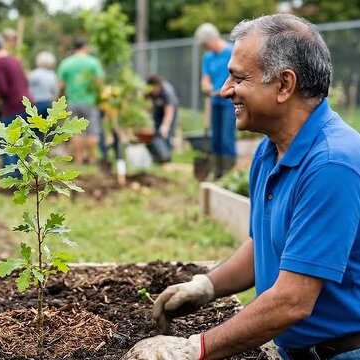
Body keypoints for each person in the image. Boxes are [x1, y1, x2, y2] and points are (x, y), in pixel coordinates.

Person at [123, 14, 360, 360]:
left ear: (284, 85)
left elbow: (292, 302)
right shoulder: (270, 151)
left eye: (237, 77)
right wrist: (207, 286)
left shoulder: (331, 164)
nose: (224, 90)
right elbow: (262, 244)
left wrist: (193, 350)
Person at [0, 31, 32, 174]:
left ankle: (12, 179)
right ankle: (24, 176)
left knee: (9, 142)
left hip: (13, 105)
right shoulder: (14, 59)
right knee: (22, 142)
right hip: (26, 103)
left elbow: (2, 89)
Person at [195, 22, 236, 179]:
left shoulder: (231, 52)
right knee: (216, 139)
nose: (205, 48)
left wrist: (224, 90)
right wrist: (207, 88)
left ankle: (228, 173)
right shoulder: (208, 57)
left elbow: (238, 76)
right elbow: (205, 79)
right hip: (214, 101)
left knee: (226, 138)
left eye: (205, 44)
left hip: (229, 102)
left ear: (212, 39)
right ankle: (217, 173)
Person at [57, 38, 104, 164]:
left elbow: (60, 85)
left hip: (72, 101)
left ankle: (78, 159)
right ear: (85, 47)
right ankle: (92, 159)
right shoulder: (93, 62)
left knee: (75, 131)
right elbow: (99, 82)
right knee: (92, 132)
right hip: (90, 101)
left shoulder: (66, 63)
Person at [146, 74, 179, 153]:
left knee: (166, 132)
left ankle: (167, 155)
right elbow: (146, 104)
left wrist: (165, 126)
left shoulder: (167, 92)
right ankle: (159, 154)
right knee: (157, 130)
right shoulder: (148, 90)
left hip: (171, 110)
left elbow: (169, 111)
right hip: (158, 109)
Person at [29, 51, 59, 119]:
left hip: (35, 103)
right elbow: (55, 91)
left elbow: (27, 88)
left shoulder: (34, 74)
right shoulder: (52, 75)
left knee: (34, 125)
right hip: (47, 103)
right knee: (45, 126)